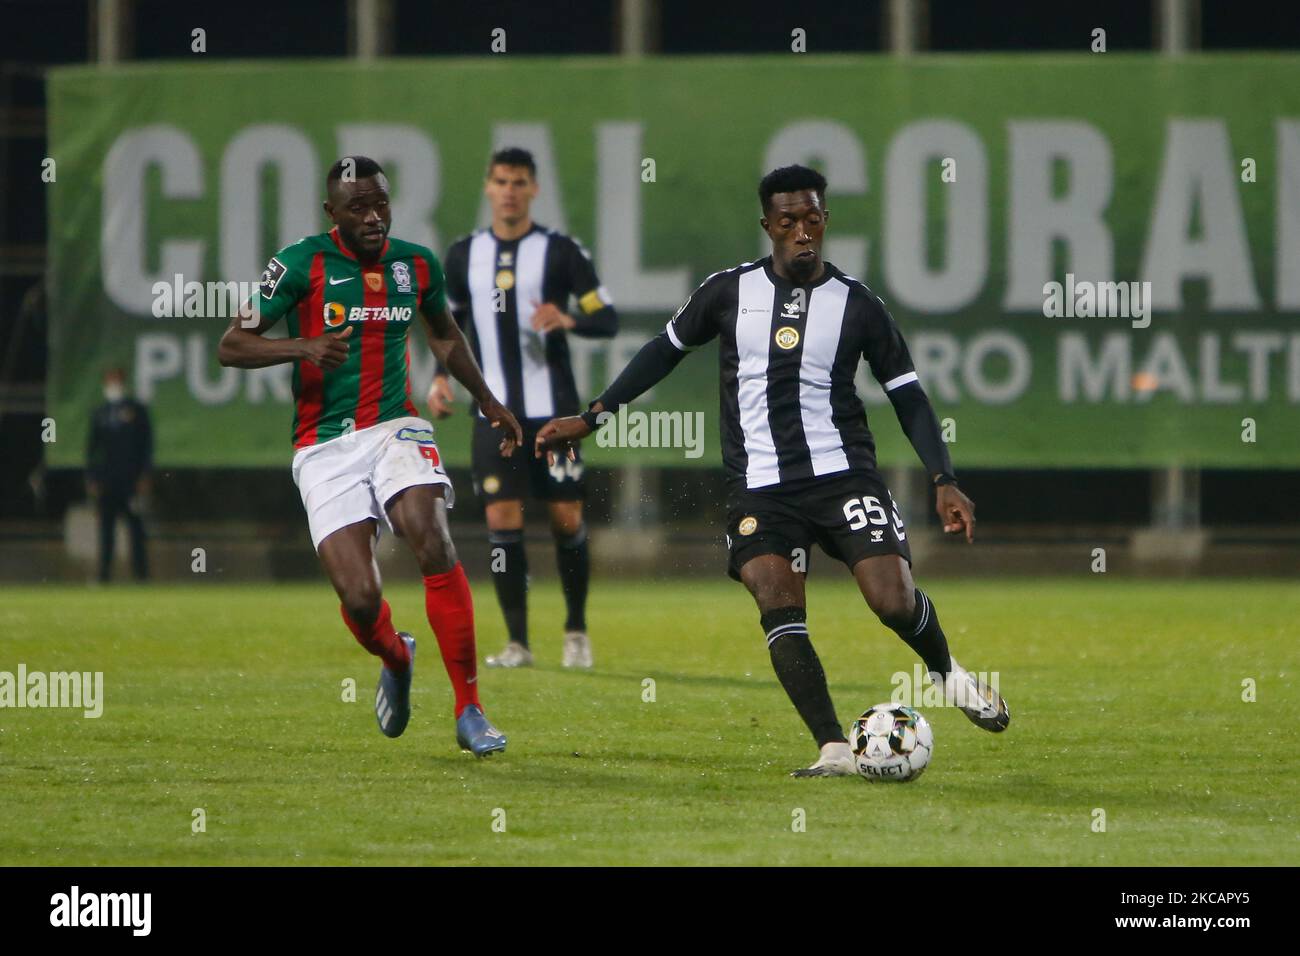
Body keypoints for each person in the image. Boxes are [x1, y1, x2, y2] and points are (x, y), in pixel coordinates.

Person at [536, 165, 1009, 776]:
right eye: (789, 221)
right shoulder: (727, 292)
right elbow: (662, 351)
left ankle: (948, 674)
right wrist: (594, 415)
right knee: (777, 599)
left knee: (892, 601)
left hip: (844, 477)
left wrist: (944, 478)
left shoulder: (858, 305)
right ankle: (834, 747)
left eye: (813, 218)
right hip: (760, 485)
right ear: (768, 227)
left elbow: (909, 396)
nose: (803, 232)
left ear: (825, 221)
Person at [218, 155, 522, 756]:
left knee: (429, 535)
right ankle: (395, 653)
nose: (375, 216)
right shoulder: (299, 263)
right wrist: (303, 346)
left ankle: (470, 709)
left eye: (381, 202)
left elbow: (443, 334)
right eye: (359, 207)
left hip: (395, 427)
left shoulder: (415, 263)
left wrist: (487, 399)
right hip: (323, 445)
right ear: (333, 213)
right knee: (359, 597)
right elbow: (232, 344)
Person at [428, 147, 618, 669]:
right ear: (488, 188)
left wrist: (570, 318)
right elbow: (448, 330)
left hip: (554, 412)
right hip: (494, 413)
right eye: (501, 181)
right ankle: (517, 643)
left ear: (534, 189)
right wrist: (441, 378)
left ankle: (576, 630)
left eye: (519, 182)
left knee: (565, 516)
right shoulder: (464, 255)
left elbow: (609, 317)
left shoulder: (560, 252)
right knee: (501, 517)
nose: (509, 191)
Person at [86, 367, 152, 583]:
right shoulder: (100, 413)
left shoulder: (137, 410)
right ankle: (104, 575)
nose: (112, 385)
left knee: (136, 529)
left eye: (116, 380)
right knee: (106, 530)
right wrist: (93, 478)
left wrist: (144, 475)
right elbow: (92, 449)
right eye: (109, 380)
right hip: (107, 481)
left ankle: (141, 575)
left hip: (131, 481)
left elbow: (146, 446)